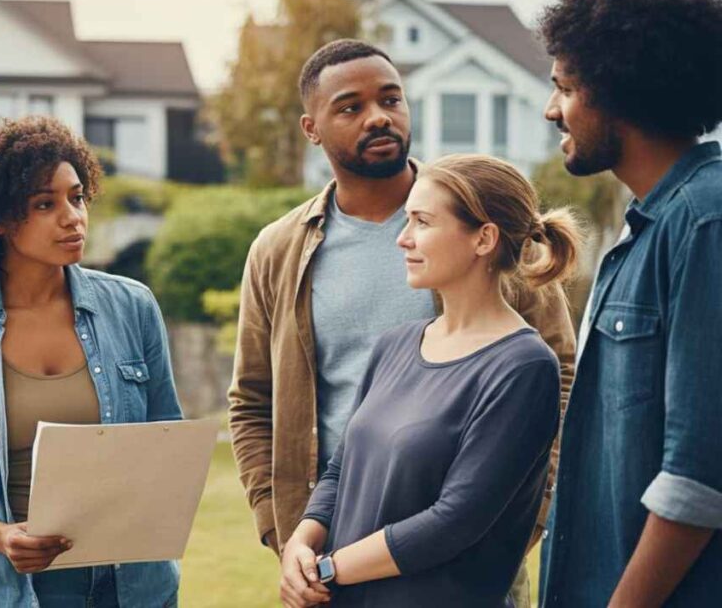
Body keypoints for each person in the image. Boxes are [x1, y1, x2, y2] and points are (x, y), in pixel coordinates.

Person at [227, 39, 576, 605]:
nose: (378, 117)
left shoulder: (481, 225)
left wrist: (523, 519)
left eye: (391, 99)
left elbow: (557, 376)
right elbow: (250, 400)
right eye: (350, 107)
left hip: (465, 558)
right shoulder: (278, 251)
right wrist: (285, 531)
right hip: (335, 554)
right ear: (311, 128)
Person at [0, 117, 183, 608]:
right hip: (4, 590)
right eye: (45, 204)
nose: (73, 217)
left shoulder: (133, 307)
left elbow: (164, 434)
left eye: (77, 197)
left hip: (130, 588)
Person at [280, 153, 580, 607]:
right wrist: (301, 543)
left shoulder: (523, 366)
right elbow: (342, 470)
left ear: (483, 239)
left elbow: (453, 521)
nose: (402, 239)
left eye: (422, 222)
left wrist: (328, 568)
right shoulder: (395, 346)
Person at [537, 0, 722, 607]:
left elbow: (700, 474)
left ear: (618, 88)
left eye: (563, 87)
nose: (550, 109)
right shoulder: (644, 226)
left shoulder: (707, 221)